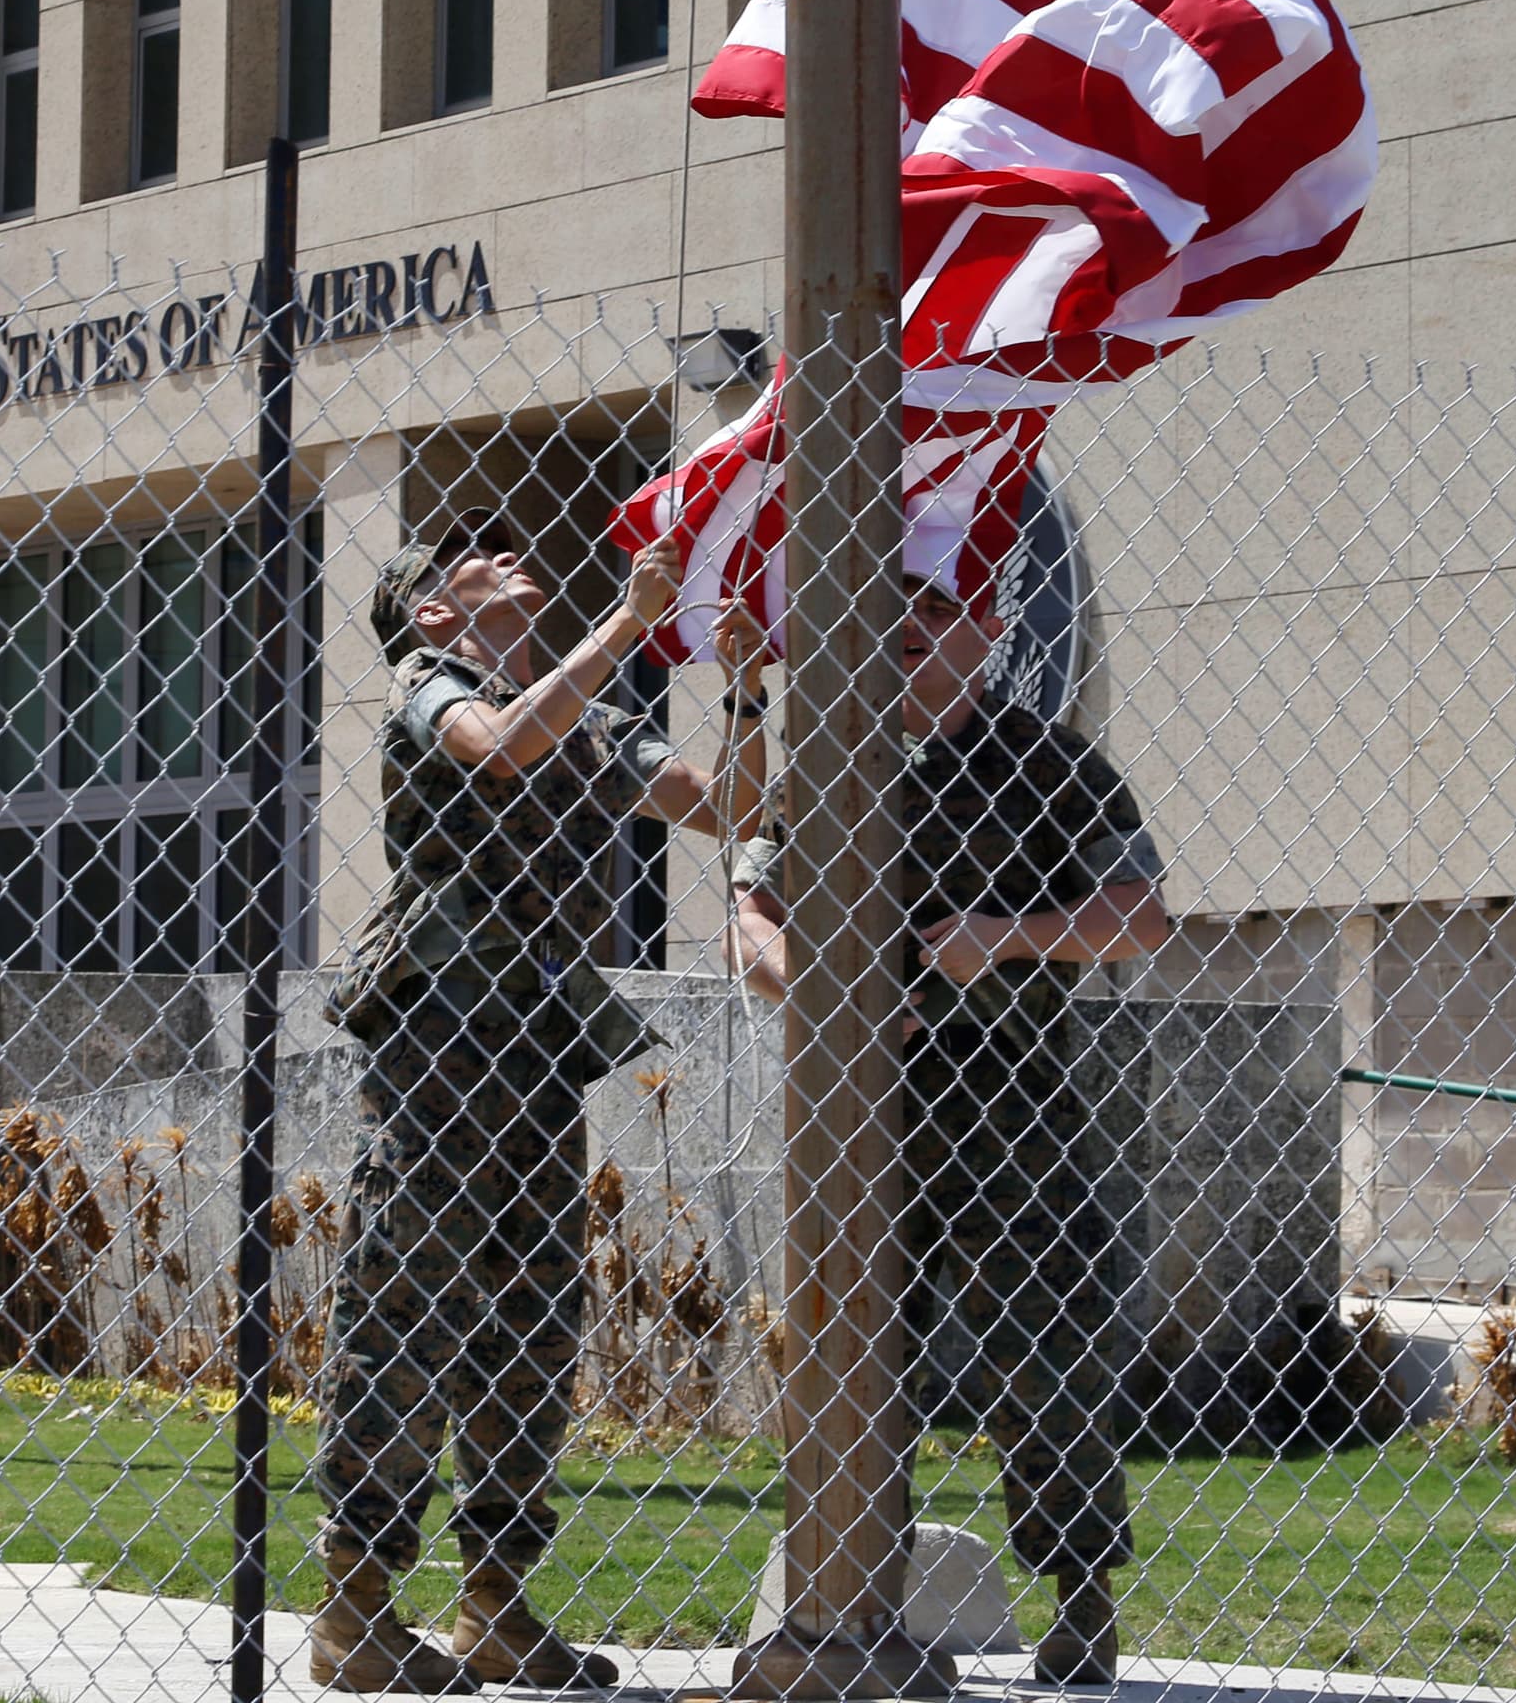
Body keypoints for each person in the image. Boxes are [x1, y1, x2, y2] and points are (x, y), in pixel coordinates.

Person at [312, 518, 770, 1694]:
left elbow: (726, 807)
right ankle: (355, 1610)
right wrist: (632, 621)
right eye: (475, 557)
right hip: (441, 1040)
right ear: (432, 611)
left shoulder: (589, 715)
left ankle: (497, 1602)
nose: (512, 559)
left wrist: (747, 683)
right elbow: (502, 748)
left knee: (531, 1320)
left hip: (535, 1041)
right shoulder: (437, 684)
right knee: (407, 1309)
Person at [727, 574, 1170, 1685]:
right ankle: (853, 1596)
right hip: (862, 1114)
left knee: (1045, 1351)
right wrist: (826, 991)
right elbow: (751, 917)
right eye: (896, 613)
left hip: (1009, 1113)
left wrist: (1006, 937)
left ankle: (1081, 1593)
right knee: (857, 1357)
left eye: (938, 614)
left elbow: (1141, 916)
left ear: (987, 635)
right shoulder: (833, 763)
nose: (914, 633)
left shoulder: (1050, 763)